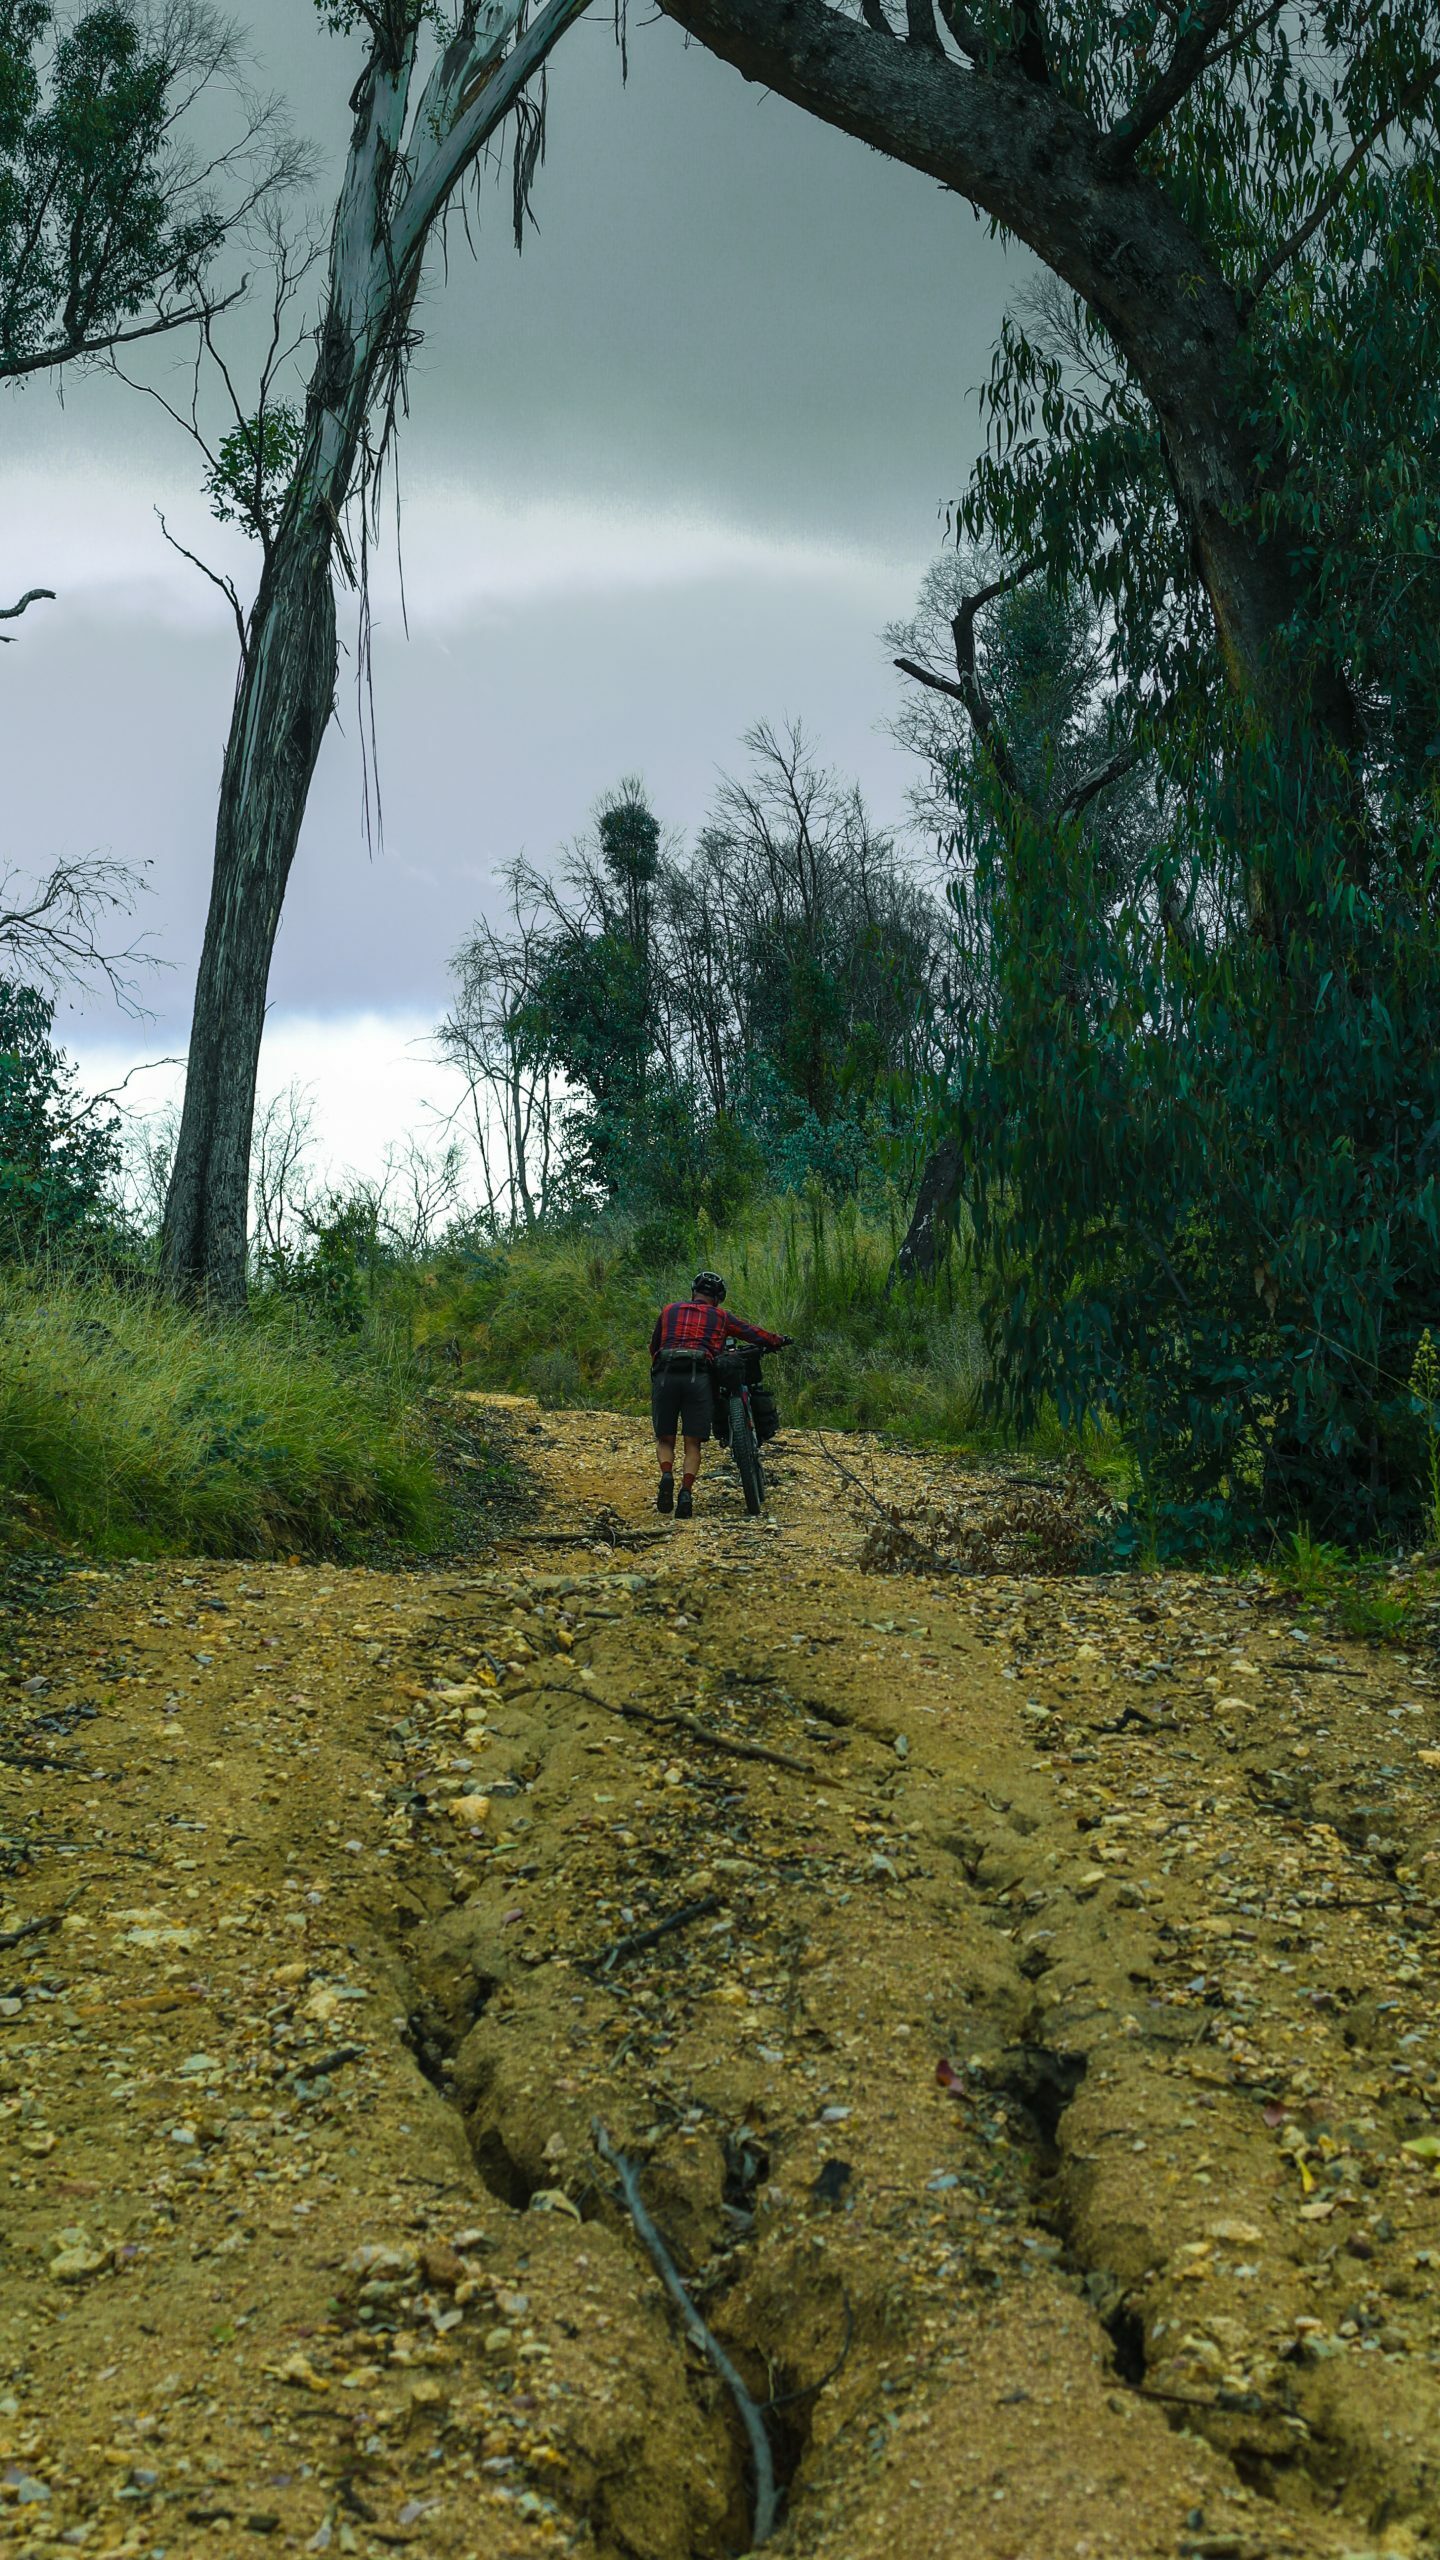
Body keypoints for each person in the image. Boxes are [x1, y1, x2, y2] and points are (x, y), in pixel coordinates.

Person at [649, 1270, 787, 1518]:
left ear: (693, 1292)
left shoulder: (669, 1310)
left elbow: (654, 1346)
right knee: (692, 1444)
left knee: (666, 1439)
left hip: (665, 1374)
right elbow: (752, 1333)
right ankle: (685, 1494)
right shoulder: (720, 1316)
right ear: (719, 1297)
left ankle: (667, 1474)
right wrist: (776, 1340)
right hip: (699, 1376)